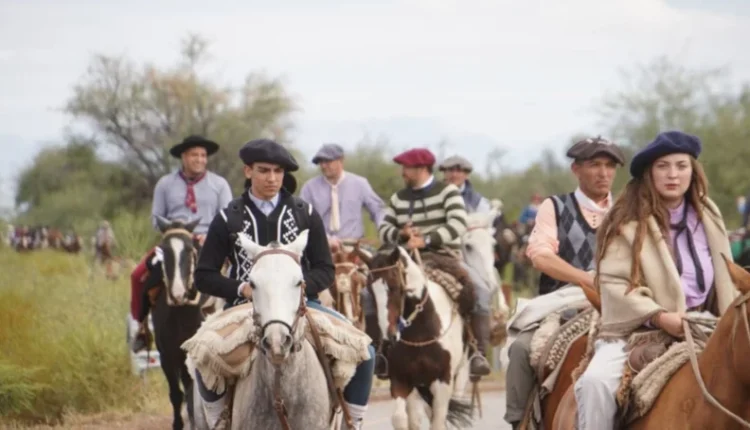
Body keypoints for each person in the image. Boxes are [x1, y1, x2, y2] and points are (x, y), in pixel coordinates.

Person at [193, 138, 375, 430]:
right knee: (202, 351)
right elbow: (204, 275)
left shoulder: (305, 213)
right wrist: (241, 288)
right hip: (244, 307)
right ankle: (218, 422)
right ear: (248, 171)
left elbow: (325, 269)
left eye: (278, 171)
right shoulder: (228, 217)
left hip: (301, 305)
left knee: (366, 353)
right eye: (264, 170)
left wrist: (300, 287)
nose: (272, 178)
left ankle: (352, 423)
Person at [574, 131, 738, 429]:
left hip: (706, 323)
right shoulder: (625, 221)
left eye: (681, 166)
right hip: (639, 331)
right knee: (595, 384)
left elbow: (726, 275)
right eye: (663, 166)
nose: (673, 174)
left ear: (693, 171)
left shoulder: (708, 214)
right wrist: (660, 317)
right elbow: (614, 284)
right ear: (649, 173)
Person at [504, 136, 626, 429]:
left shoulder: (627, 210)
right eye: (594, 164)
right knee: (521, 349)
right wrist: (586, 279)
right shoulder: (555, 206)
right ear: (576, 169)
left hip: (619, 302)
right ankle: (520, 421)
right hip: (561, 301)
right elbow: (540, 256)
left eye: (610, 166)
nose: (603, 173)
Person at [378, 147, 493, 379]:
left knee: (481, 290)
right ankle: (381, 352)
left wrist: (427, 240)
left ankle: (477, 353)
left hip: (444, 257)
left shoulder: (448, 192)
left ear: (421, 169)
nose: (402, 172)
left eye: (406, 168)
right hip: (406, 260)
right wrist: (401, 234)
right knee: (370, 292)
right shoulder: (398, 198)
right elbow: (383, 229)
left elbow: (458, 224)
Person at [130, 135, 233, 353]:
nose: (200, 159)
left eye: (203, 155)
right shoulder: (165, 184)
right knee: (138, 275)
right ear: (184, 157)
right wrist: (172, 230)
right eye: (195, 155)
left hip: (208, 241)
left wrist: (211, 235)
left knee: (238, 274)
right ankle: (142, 328)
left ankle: (239, 327)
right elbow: (156, 218)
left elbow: (227, 219)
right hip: (173, 241)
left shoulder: (219, 185)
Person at [300, 143, 385, 249]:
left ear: (341, 160)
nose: (323, 166)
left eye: (327, 161)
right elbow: (303, 219)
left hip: (355, 247)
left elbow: (378, 210)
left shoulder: (360, 184)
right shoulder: (309, 188)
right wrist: (325, 239)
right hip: (320, 247)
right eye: (320, 162)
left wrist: (384, 231)